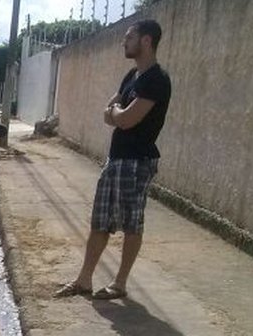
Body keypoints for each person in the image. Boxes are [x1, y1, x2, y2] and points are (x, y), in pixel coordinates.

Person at [55, 19, 170, 301]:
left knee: (132, 223)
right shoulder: (132, 76)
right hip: (116, 159)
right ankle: (84, 280)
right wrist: (117, 112)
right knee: (100, 221)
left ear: (146, 41)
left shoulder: (157, 80)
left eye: (129, 37)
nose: (124, 41)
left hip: (137, 162)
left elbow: (127, 118)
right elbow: (111, 110)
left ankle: (120, 283)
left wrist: (117, 113)